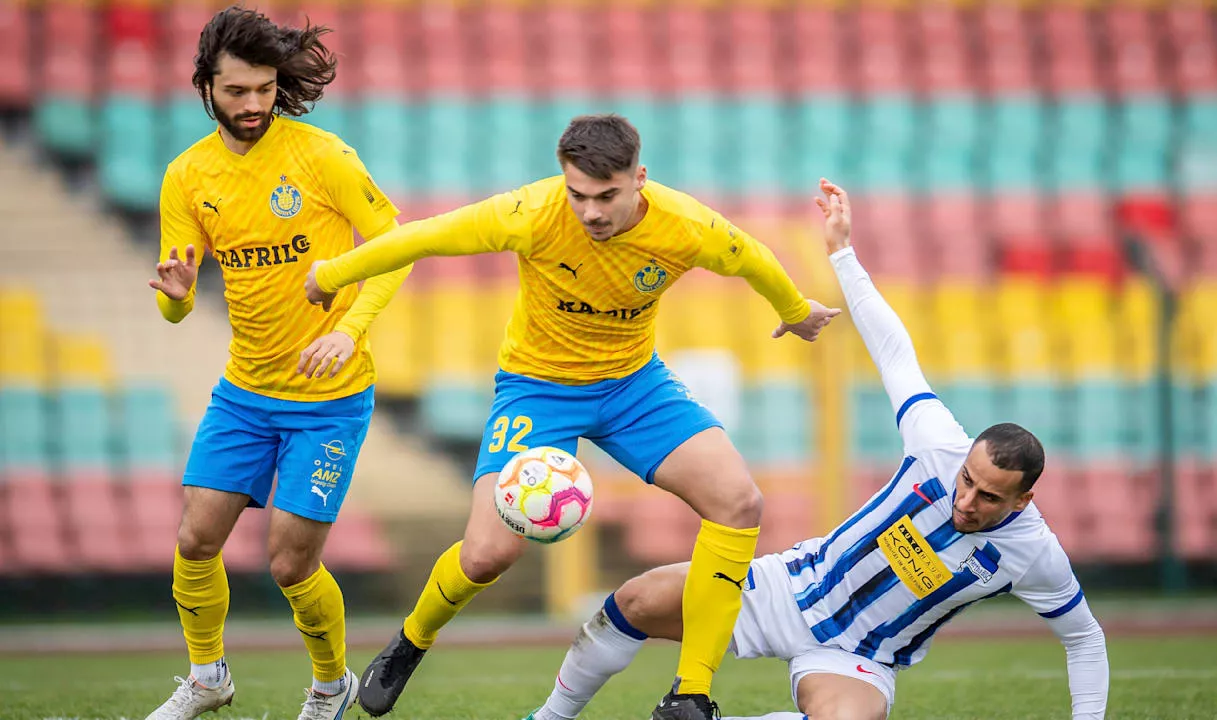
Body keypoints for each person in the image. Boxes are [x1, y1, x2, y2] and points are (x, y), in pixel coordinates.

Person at [303, 114, 841, 719]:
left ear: (640, 178)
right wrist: (333, 272)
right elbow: (423, 237)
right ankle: (411, 641)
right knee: (486, 556)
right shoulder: (530, 212)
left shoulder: (686, 226)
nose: (589, 211)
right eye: (577, 194)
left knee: (739, 502)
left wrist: (795, 310)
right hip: (538, 389)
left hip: (634, 385)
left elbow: (753, 259)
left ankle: (690, 693)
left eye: (606, 195)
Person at [519, 180, 1110, 720]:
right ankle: (549, 718)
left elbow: (1085, 639)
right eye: (968, 481)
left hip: (860, 657)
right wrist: (842, 253)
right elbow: (893, 349)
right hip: (788, 588)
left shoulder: (1033, 553)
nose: (968, 499)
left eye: (989, 497)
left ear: (1025, 498)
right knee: (635, 598)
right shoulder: (937, 446)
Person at [145, 7, 410, 720]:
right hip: (245, 392)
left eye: (264, 88)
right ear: (206, 86)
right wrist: (175, 298)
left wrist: (350, 331)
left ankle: (331, 686)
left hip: (330, 398)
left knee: (291, 564)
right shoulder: (187, 176)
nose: (254, 104)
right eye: (237, 92)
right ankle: (208, 678)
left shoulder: (322, 156)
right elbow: (176, 302)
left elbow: (396, 248)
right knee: (195, 539)